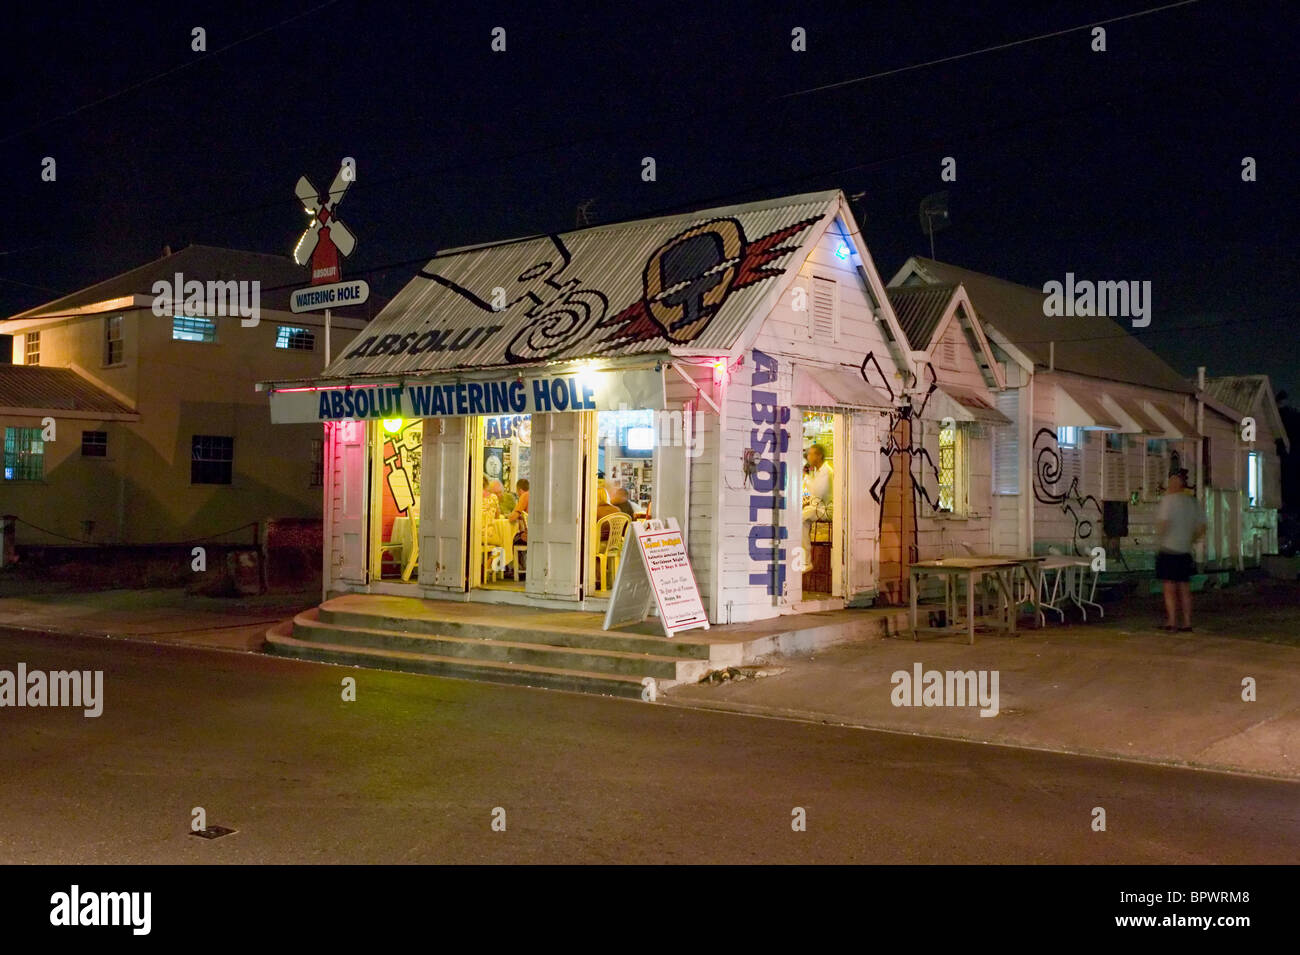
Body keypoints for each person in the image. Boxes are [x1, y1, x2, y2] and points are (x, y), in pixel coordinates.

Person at [1155, 468, 1206, 631]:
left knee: (1169, 587)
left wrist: (1160, 539)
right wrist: (1191, 539)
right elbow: (1202, 526)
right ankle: (1187, 622)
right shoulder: (1192, 502)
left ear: (1173, 483)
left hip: (1169, 549)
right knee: (1184, 588)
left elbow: (1163, 524)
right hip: (1185, 550)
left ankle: (1171, 621)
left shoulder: (1168, 501)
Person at [801, 442, 833, 553]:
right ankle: (804, 556)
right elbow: (809, 492)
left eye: (811, 454)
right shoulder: (818, 472)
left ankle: (806, 559)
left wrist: (806, 477)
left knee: (801, 518)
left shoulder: (826, 472)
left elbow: (817, 492)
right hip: (818, 507)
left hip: (826, 510)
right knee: (801, 515)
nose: (808, 457)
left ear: (819, 456)